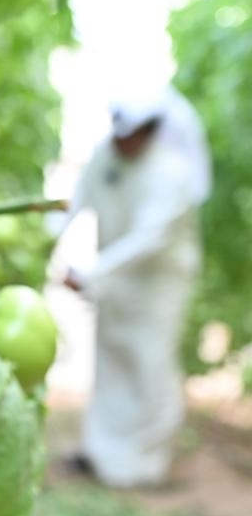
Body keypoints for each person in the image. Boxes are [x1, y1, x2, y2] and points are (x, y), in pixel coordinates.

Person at [58, 84, 212, 488]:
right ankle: (102, 453)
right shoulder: (105, 156)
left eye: (133, 135)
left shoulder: (171, 172)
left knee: (149, 363)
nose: (123, 141)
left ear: (151, 131)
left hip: (158, 284)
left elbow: (150, 239)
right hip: (115, 277)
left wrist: (91, 272)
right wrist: (50, 236)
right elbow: (78, 201)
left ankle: (145, 463)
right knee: (110, 359)